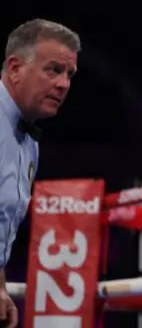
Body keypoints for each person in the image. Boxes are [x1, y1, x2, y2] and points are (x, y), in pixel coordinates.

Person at [0, 19, 80, 328]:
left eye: (69, 74)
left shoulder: (28, 143)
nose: (64, 84)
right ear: (15, 68)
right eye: (53, 70)